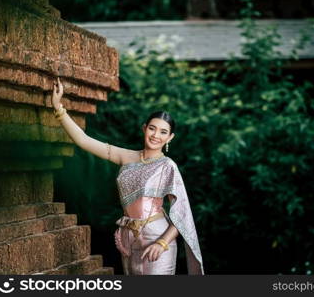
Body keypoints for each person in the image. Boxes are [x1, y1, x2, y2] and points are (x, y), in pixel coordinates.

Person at [51, 78, 204, 275]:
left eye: (163, 132)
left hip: (157, 238)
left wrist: (162, 242)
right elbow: (84, 141)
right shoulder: (126, 157)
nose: (156, 135)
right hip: (128, 239)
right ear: (144, 128)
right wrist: (58, 107)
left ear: (170, 138)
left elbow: (181, 214)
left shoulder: (168, 166)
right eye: (152, 128)